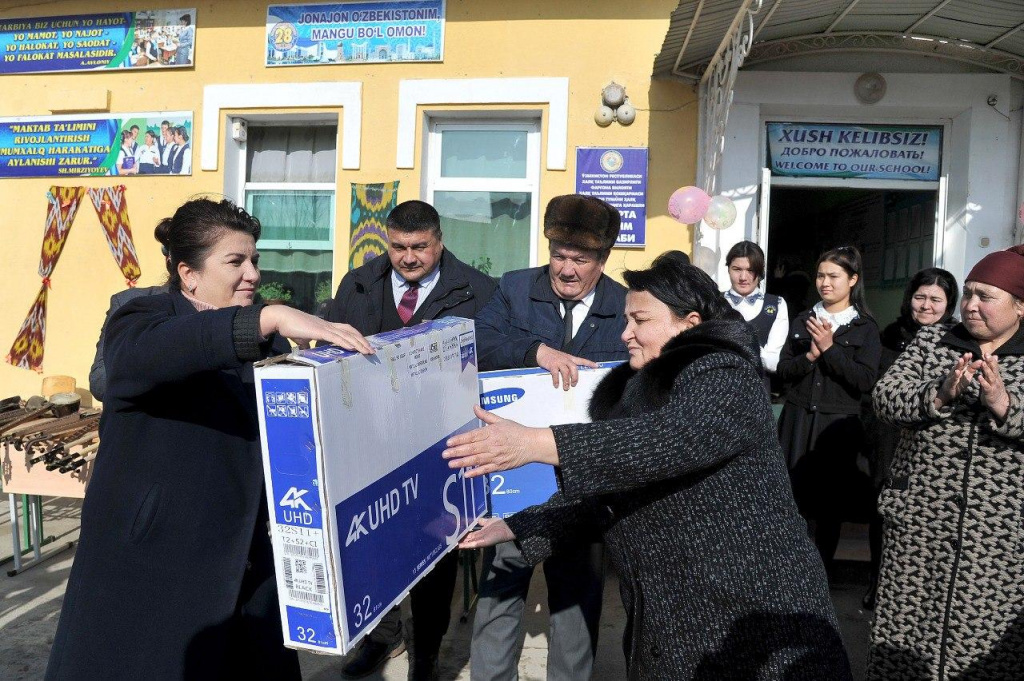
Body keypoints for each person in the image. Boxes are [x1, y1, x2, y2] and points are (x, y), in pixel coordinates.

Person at [445, 253, 852, 679]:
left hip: (752, 622)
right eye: (626, 320)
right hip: (674, 621)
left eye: (640, 321)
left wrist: (535, 442)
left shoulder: (726, 375)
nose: (625, 334)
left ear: (689, 323)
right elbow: (609, 495)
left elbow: (669, 439)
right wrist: (518, 525)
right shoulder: (639, 390)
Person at [45, 198, 372, 681]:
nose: (252, 275)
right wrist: (269, 317)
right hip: (156, 572)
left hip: (249, 566)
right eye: (235, 261)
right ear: (188, 273)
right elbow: (148, 356)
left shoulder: (270, 344)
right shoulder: (140, 317)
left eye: (255, 261)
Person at [324, 200, 496, 681]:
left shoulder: (478, 291)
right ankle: (380, 639)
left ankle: (426, 654)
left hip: (439, 449)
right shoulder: (358, 283)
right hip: (371, 443)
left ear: (439, 242)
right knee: (373, 550)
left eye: (420, 247)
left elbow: (490, 362)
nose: (409, 257)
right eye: (398, 247)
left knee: (434, 555)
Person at [471, 194, 628, 681]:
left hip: (585, 478)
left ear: (602, 261)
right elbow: (477, 342)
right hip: (516, 471)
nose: (565, 269)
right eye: (559, 254)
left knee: (577, 600)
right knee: (501, 582)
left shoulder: (624, 306)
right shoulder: (516, 289)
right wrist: (534, 349)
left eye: (580, 260)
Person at [867, 245, 1024, 680]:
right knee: (904, 639)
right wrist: (939, 393)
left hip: (998, 537)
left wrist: (1004, 403)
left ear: (1020, 306)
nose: (970, 305)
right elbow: (885, 397)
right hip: (919, 523)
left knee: (983, 646)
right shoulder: (935, 340)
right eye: (968, 293)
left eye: (985, 296)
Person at [776, 245, 880, 576]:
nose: (825, 282)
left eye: (834, 276)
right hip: (799, 418)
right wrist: (809, 357)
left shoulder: (864, 328)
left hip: (837, 426)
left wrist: (831, 350)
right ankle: (791, 575)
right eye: (821, 275)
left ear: (852, 280)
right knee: (793, 501)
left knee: (829, 506)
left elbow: (864, 380)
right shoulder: (803, 319)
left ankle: (820, 574)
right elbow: (783, 371)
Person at [860, 267, 958, 609]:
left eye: (936, 299)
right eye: (920, 297)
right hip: (888, 438)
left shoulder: (956, 342)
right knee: (885, 508)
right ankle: (878, 580)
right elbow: (874, 392)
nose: (926, 306)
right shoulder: (890, 337)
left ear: (949, 303)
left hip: (930, 444)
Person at [724, 240, 789, 392]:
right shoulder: (714, 301)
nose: (743, 277)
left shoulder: (776, 304)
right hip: (719, 389)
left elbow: (774, 362)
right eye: (736, 269)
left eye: (751, 270)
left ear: (760, 272)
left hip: (758, 390)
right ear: (728, 269)